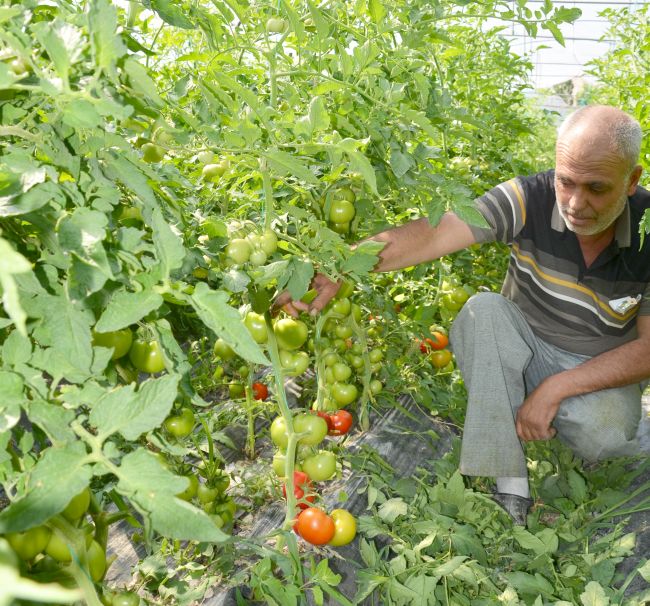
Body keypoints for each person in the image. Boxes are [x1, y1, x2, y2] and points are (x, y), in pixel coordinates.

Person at [276, 105, 650, 525]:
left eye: (596, 188)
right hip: (519, 348)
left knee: (608, 436)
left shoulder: (649, 231)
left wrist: (556, 388)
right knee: (482, 311)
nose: (576, 203)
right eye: (566, 181)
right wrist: (339, 265)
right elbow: (439, 231)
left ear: (632, 180)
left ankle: (553, 420)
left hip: (593, 365)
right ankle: (510, 481)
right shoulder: (530, 198)